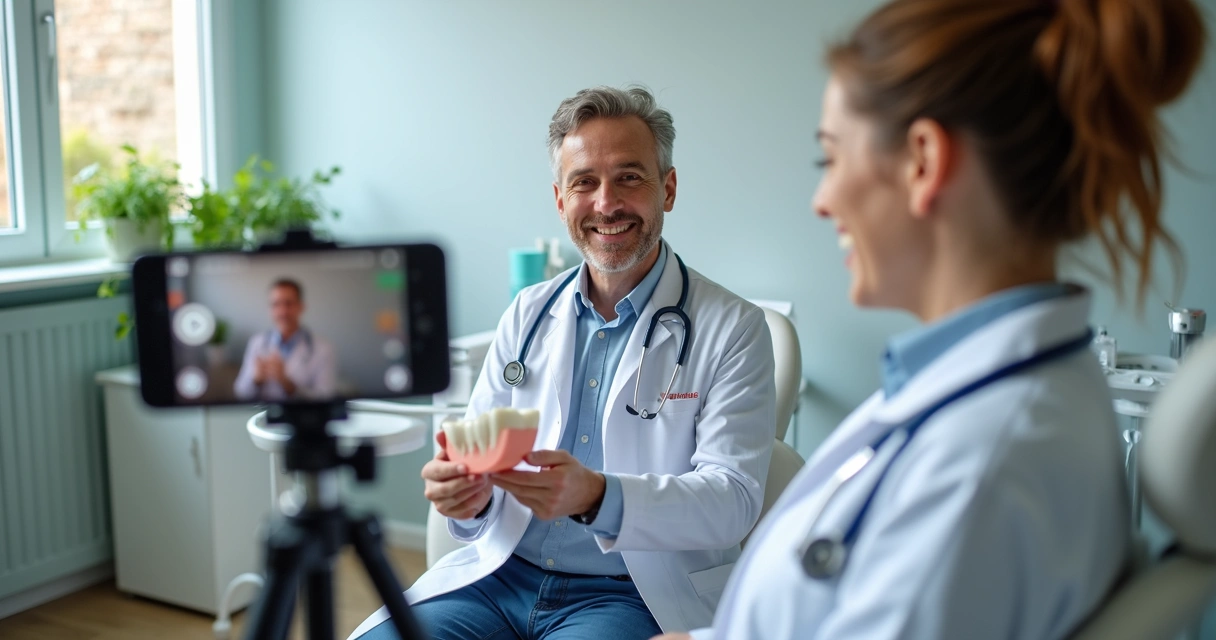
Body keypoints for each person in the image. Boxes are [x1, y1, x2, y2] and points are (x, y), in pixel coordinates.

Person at [651, 1, 1208, 639]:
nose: (822, 200)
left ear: (922, 162)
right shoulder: (993, 395)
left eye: (829, 159)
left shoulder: (982, 469)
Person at [350, 86, 776, 639]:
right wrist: (467, 497)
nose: (606, 203)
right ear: (560, 199)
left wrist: (600, 496)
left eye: (629, 177)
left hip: (630, 594)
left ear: (667, 189)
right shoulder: (528, 313)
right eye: (584, 182)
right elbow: (479, 469)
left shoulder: (734, 327)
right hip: (497, 579)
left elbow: (733, 501)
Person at [233, 278, 337, 402]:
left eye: (288, 303)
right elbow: (240, 392)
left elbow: (326, 397)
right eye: (276, 304)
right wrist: (256, 380)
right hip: (264, 416)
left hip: (303, 418)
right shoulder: (257, 343)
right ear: (270, 309)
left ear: (301, 307)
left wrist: (289, 385)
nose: (283, 312)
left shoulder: (323, 348)